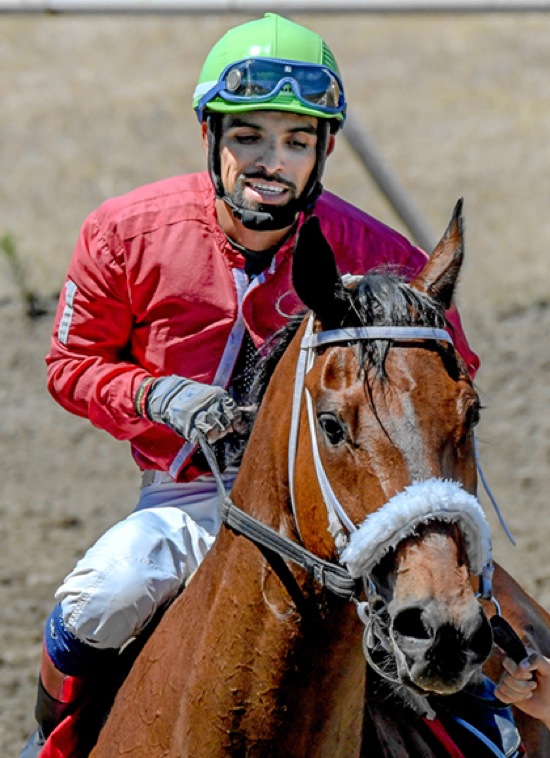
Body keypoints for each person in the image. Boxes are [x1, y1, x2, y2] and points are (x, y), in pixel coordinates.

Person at [21, 12, 487, 757]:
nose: (273, 162)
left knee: (466, 622)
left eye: (297, 142)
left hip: (351, 503)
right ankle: (54, 743)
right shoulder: (123, 233)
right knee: (103, 596)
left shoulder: (378, 251)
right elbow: (70, 364)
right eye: (250, 137)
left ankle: (493, 734)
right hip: (187, 500)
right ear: (212, 137)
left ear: (323, 151)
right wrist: (156, 396)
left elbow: (448, 376)